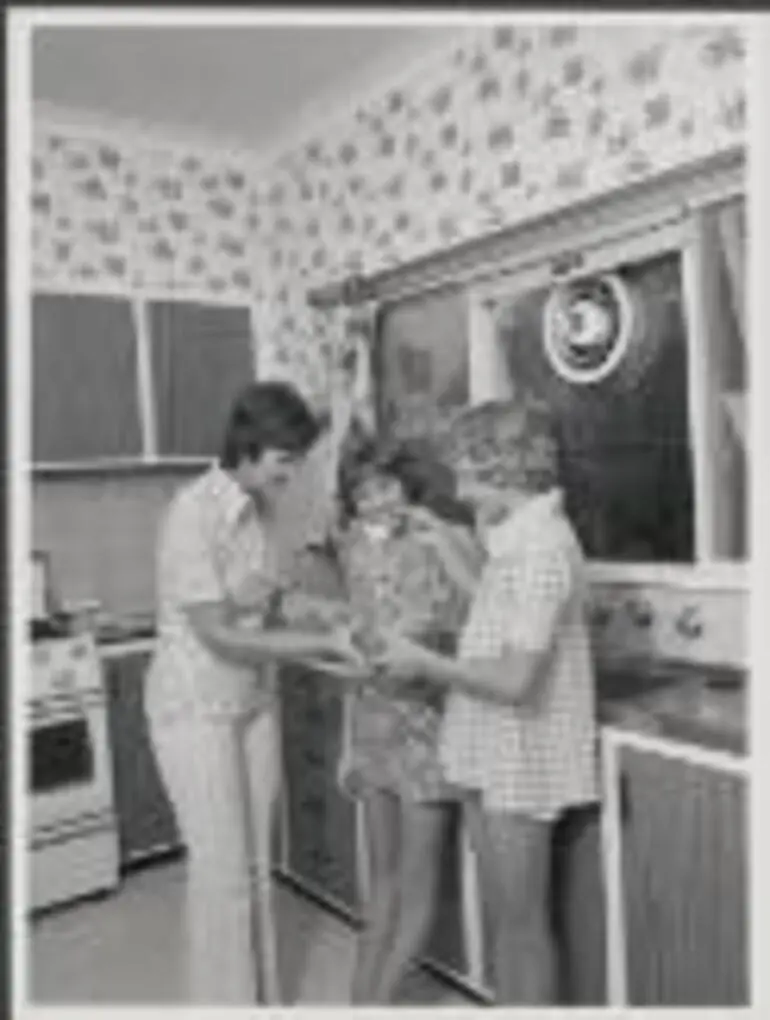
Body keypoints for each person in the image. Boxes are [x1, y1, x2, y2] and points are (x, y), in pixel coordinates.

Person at [144, 381, 363, 1006]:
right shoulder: (192, 513)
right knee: (222, 879)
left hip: (250, 704)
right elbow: (218, 635)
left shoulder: (260, 510)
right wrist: (321, 648)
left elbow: (264, 601)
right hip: (194, 710)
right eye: (285, 460)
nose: (291, 474)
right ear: (250, 445)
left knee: (254, 873)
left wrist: (322, 614)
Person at [376, 397, 599, 1005]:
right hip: (493, 744)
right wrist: (445, 544)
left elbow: (516, 681)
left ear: (506, 471)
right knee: (508, 921)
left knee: (523, 928)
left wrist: (425, 663)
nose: (463, 491)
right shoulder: (518, 541)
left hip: (520, 750)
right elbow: (497, 607)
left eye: (468, 475)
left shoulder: (544, 547)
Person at [332, 432, 483, 1004]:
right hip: (373, 725)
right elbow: (358, 642)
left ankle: (377, 1004)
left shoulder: (445, 541)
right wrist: (348, 743)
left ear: (407, 486)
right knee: (383, 882)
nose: (377, 502)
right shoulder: (352, 549)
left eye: (386, 487)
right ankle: (359, 1002)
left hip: (429, 726)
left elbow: (476, 626)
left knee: (418, 887)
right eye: (363, 492)